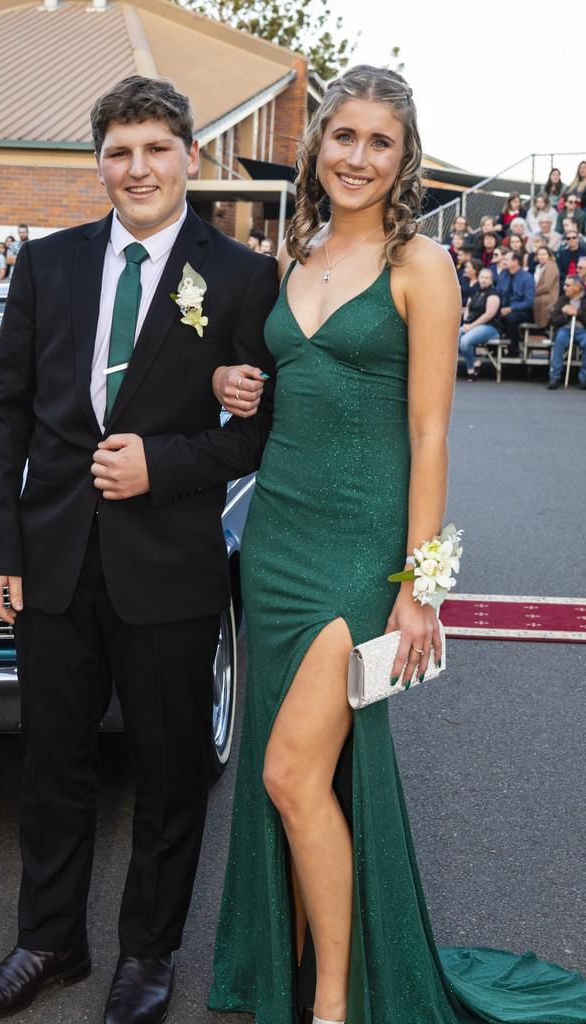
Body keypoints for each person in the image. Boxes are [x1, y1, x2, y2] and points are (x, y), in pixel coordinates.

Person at [208, 64, 586, 1024]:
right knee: (303, 777)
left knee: (290, 773)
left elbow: (430, 433)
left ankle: (334, 1003)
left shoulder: (421, 267)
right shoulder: (294, 259)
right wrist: (238, 386)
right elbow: (285, 383)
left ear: (404, 156)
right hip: (277, 536)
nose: (359, 157)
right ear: (317, 145)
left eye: (381, 142)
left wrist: (421, 585)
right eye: (345, 137)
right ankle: (298, 980)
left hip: (358, 546)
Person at [0, 75, 277, 1024]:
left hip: (170, 565)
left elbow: (258, 435)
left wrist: (165, 463)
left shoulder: (244, 278)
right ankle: (49, 942)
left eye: (155, 149)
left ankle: (149, 953)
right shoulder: (48, 266)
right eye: (118, 152)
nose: (136, 168)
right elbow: (2, 416)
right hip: (52, 563)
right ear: (98, 162)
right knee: (53, 765)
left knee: (171, 770)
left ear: (189, 156)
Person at [458, 266, 501, 379]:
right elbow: (468, 308)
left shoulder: (493, 294)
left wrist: (471, 326)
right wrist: (466, 321)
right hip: (472, 325)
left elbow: (489, 315)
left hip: (490, 327)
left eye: (487, 278)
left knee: (465, 341)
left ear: (491, 280)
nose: (484, 280)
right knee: (454, 339)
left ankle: (470, 370)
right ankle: (476, 362)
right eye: (482, 277)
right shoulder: (476, 292)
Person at [546, 275, 586, 390]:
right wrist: (565, 315)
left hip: (583, 330)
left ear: (577, 287)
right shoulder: (562, 300)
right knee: (559, 340)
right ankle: (555, 377)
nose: (564, 288)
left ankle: (584, 378)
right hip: (566, 329)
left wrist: (577, 313)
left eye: (568, 285)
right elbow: (553, 320)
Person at [498, 251, 534, 355]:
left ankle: (513, 349)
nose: (504, 262)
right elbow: (498, 292)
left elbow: (529, 302)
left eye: (507, 260)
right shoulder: (503, 274)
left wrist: (511, 308)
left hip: (522, 311)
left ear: (515, 262)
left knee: (511, 318)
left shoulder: (527, 277)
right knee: (492, 315)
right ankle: (494, 348)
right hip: (504, 308)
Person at [532, 244, 560, 327]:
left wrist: (532, 293)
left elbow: (546, 287)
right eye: (539, 254)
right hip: (539, 296)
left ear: (549, 255)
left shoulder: (551, 266)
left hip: (547, 298)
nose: (541, 257)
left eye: (544, 254)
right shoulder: (538, 267)